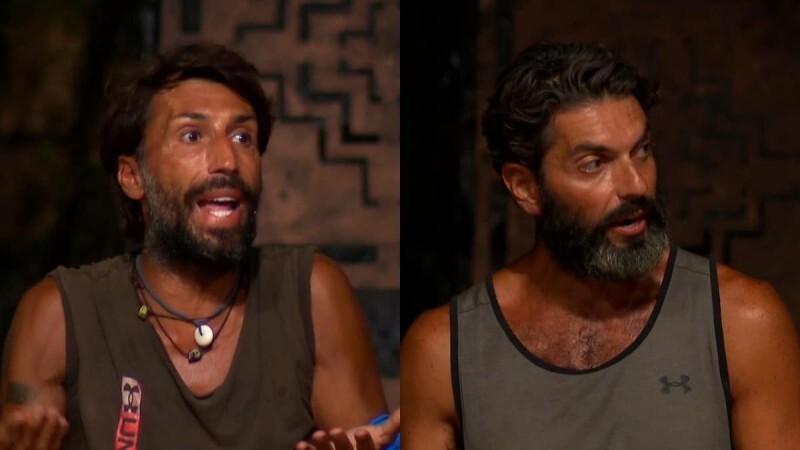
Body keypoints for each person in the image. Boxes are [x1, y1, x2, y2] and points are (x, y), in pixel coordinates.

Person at [401, 42, 800, 449]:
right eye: (594, 164)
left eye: (642, 151)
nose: (636, 185)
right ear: (526, 188)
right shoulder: (444, 350)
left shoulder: (742, 322)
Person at [0, 43, 399, 449]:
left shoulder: (312, 296)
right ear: (132, 176)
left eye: (243, 137)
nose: (228, 160)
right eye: (192, 135)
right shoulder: (58, 316)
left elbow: (372, 439)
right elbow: (24, 430)